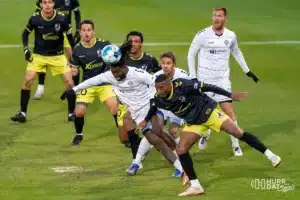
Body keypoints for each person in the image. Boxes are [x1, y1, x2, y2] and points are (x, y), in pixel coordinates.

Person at [141, 74, 281, 196]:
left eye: (161, 87)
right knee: (181, 150)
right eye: (156, 88)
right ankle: (196, 186)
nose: (158, 91)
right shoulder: (158, 98)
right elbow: (153, 107)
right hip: (193, 122)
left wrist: (229, 95)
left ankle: (271, 155)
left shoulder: (183, 85)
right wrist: (145, 121)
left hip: (209, 112)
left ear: (169, 84)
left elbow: (207, 87)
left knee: (237, 132)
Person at [60, 43, 184, 178]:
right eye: (113, 73)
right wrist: (72, 90)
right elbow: (91, 81)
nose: (116, 75)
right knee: (154, 140)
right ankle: (179, 165)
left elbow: (158, 85)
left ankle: (181, 160)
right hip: (137, 114)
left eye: (118, 72)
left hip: (152, 107)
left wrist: (170, 97)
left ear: (123, 66)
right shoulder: (109, 76)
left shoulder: (138, 74)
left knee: (157, 132)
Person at [187, 7, 259, 156]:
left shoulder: (231, 36)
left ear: (225, 19)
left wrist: (247, 70)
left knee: (229, 111)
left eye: (219, 16)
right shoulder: (202, 35)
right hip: (204, 81)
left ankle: (235, 144)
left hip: (222, 81)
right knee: (203, 113)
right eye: (214, 15)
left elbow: (236, 52)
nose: (216, 18)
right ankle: (205, 134)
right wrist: (193, 77)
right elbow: (190, 55)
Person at [11, 0, 75, 123]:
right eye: (44, 2)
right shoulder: (34, 19)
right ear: (40, 5)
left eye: (50, 2)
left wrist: (74, 55)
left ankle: (71, 113)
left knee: (69, 83)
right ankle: (22, 113)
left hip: (58, 56)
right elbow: (25, 34)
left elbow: (70, 37)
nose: (47, 5)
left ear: (53, 4)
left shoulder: (62, 19)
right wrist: (26, 50)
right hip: (38, 56)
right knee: (28, 79)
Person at [127, 51, 189, 177]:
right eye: (163, 63)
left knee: (173, 131)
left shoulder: (183, 76)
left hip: (178, 108)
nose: (165, 66)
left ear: (174, 65)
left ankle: (181, 160)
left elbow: (191, 91)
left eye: (168, 63)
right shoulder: (155, 77)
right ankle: (136, 163)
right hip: (163, 107)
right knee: (152, 132)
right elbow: (151, 96)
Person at [69, 20, 119, 145]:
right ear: (80, 33)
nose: (87, 33)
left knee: (114, 108)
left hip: (105, 84)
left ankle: (124, 132)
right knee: (79, 112)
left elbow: (116, 58)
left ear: (93, 31)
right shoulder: (77, 50)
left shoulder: (104, 46)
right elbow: (75, 70)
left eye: (89, 30)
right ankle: (79, 135)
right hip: (88, 84)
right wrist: (73, 77)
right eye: (84, 30)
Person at [117, 31, 161, 148]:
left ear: (141, 44)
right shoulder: (121, 59)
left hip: (142, 101)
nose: (133, 44)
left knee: (151, 132)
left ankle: (140, 154)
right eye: (131, 42)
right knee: (124, 139)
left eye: (136, 42)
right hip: (124, 102)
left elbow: (159, 76)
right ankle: (141, 143)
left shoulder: (149, 60)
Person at [34, 0, 81, 99]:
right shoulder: (48, 1)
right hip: (51, 33)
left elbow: (77, 13)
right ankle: (40, 87)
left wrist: (78, 29)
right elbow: (37, 15)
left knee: (73, 59)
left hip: (66, 33)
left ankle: (75, 89)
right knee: (43, 56)